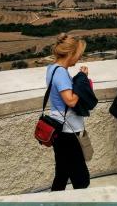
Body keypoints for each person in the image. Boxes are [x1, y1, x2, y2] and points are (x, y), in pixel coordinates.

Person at [47, 33, 90, 191]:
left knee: (62, 173)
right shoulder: (61, 73)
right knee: (82, 179)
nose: (79, 58)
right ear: (70, 53)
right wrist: (83, 79)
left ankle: (55, 200)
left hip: (58, 128)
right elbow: (71, 100)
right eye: (78, 55)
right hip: (68, 131)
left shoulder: (52, 69)